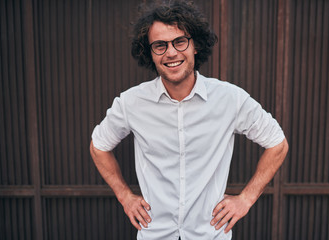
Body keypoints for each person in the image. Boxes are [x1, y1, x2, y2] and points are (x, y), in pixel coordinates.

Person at [90, 0, 289, 239]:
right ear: (149, 53)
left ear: (195, 45)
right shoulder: (131, 103)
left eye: (180, 41)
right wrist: (125, 197)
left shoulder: (230, 99)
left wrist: (245, 199)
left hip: (211, 234)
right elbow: (99, 146)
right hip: (155, 234)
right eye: (160, 45)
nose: (171, 52)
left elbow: (277, 143)